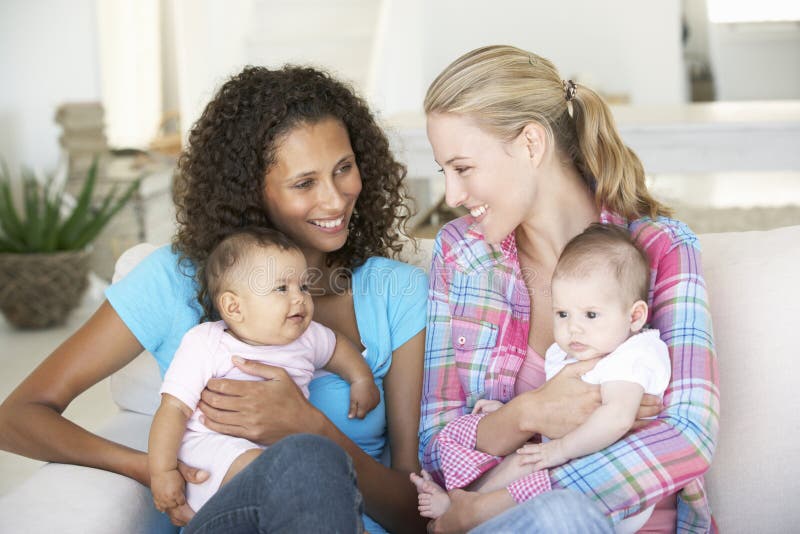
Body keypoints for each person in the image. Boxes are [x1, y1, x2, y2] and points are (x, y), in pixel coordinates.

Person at [0, 66, 429, 534]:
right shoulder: (174, 280)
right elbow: (17, 417)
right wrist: (152, 468)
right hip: (228, 516)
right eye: (304, 183)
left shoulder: (398, 292)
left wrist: (310, 427)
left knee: (309, 457)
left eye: (344, 168)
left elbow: (413, 513)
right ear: (250, 190)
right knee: (305, 460)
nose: (335, 199)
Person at [415, 45, 719, 533]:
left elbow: (687, 435)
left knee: (560, 514)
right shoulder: (461, 256)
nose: (451, 196)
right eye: (444, 172)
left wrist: (499, 500)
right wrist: (528, 413)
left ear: (532, 144)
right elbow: (434, 447)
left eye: (464, 168)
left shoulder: (660, 250)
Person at [414, 223, 672, 526]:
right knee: (523, 461)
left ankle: (469, 510)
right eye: (563, 314)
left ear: (635, 316)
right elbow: (552, 411)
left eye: (590, 314)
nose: (573, 327)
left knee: (534, 466)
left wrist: (558, 450)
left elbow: (617, 418)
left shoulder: (634, 354)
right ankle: (464, 502)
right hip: (565, 464)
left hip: (606, 487)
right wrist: (511, 413)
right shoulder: (574, 353)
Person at [149, 227, 380, 514]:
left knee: (314, 472)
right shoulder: (206, 343)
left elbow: (337, 349)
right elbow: (173, 408)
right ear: (234, 307)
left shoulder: (306, 337)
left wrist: (360, 378)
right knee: (281, 473)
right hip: (212, 456)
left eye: (303, 287)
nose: (299, 298)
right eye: (282, 288)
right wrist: (162, 471)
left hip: (281, 461)